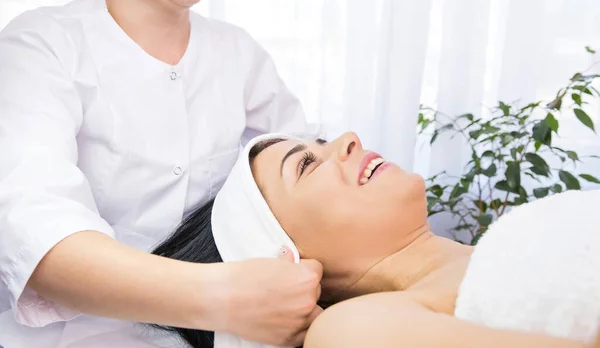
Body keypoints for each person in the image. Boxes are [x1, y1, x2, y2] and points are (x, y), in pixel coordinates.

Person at [0, 0, 324, 347]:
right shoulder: (41, 44)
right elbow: (38, 235)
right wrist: (225, 297)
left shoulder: (238, 53)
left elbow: (315, 176)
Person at [152, 132, 600, 348]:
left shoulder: (502, 246)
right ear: (289, 264)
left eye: (322, 142)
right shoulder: (348, 332)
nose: (349, 139)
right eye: (306, 166)